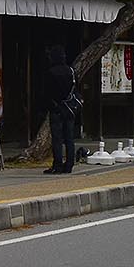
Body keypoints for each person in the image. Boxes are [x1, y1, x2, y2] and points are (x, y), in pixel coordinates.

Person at [44, 45, 77, 174]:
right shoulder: (71, 71)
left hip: (56, 108)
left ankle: (57, 165)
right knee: (69, 138)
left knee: (57, 138)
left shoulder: (51, 72)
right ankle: (69, 164)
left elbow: (47, 92)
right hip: (70, 108)